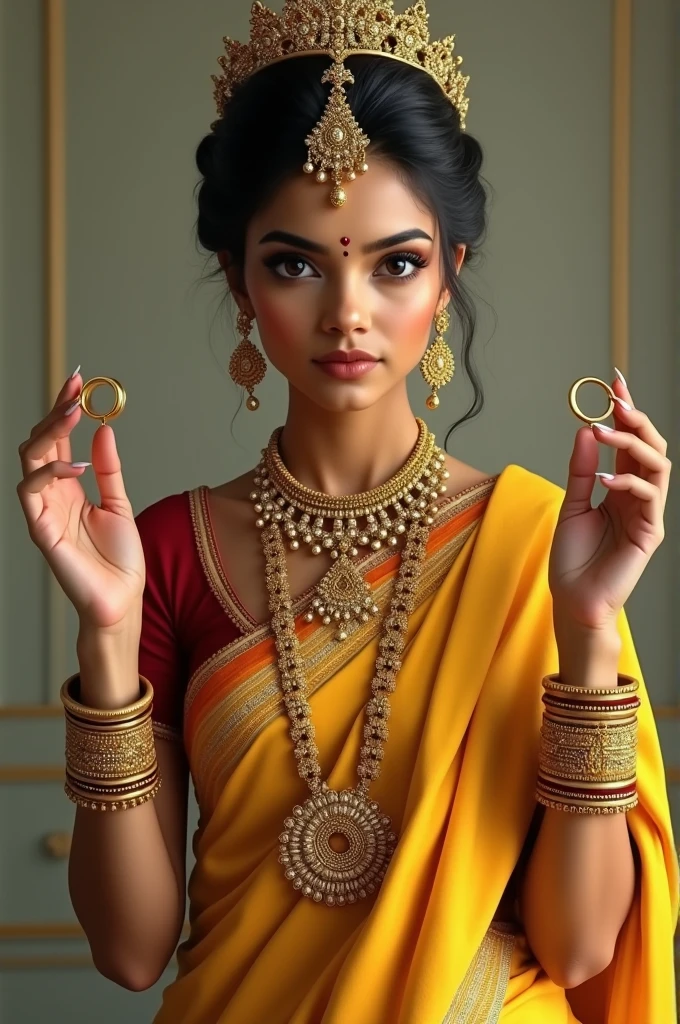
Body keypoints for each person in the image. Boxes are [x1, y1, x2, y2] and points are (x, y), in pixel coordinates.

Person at [16, 1, 678, 1021]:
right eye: (294, 264)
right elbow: (132, 950)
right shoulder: (163, 554)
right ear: (239, 281)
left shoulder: (535, 544)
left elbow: (581, 945)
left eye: (395, 262)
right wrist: (108, 635)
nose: (347, 312)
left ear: (449, 273)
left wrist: (585, 631)